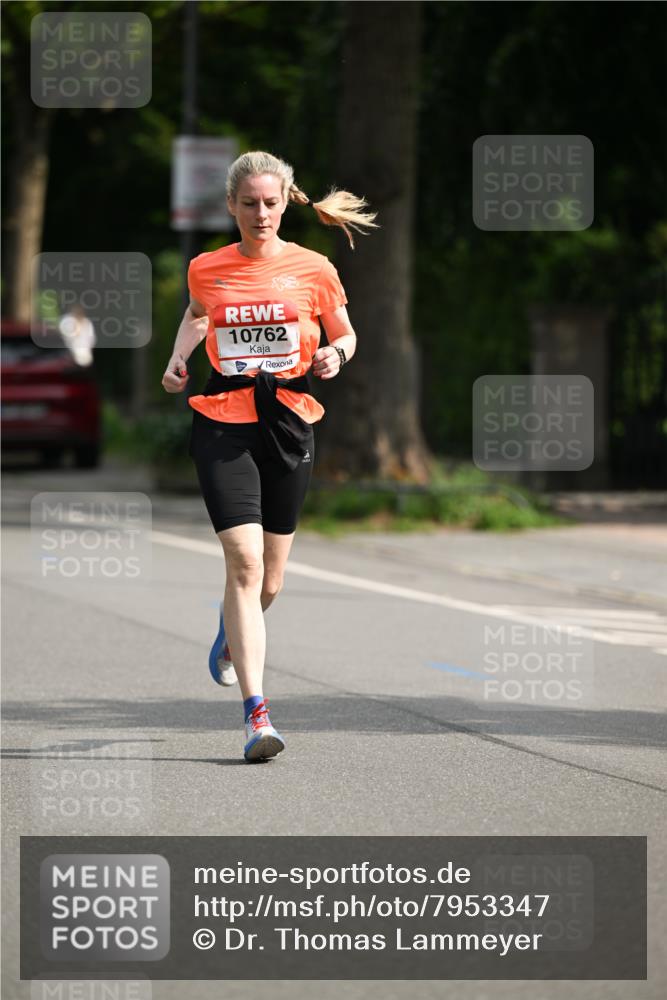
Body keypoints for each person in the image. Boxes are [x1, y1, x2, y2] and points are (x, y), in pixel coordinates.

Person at [162, 151, 377, 762]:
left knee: (272, 581)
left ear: (287, 203)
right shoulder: (207, 267)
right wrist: (179, 361)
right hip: (223, 422)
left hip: (288, 421)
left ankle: (230, 635)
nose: (261, 214)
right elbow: (198, 316)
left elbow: (345, 331)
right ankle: (258, 718)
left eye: (271, 203)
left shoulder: (314, 268)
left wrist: (337, 355)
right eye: (249, 203)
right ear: (231, 205)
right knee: (245, 564)